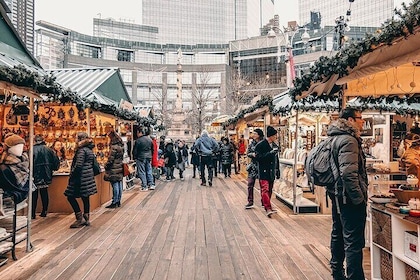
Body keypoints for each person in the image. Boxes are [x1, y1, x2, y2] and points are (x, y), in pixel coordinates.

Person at [326, 107, 368, 280]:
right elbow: (348, 173)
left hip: (336, 194)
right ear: (350, 120)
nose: (362, 121)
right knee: (353, 242)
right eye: (360, 118)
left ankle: (337, 271)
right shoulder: (349, 140)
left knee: (338, 233)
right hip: (348, 197)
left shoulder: (333, 137)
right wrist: (358, 198)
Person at [64, 132, 98, 228]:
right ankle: (86, 217)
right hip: (87, 177)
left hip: (80, 178)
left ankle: (79, 218)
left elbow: (79, 165)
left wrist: (72, 175)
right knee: (85, 197)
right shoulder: (89, 150)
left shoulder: (81, 151)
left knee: (70, 196)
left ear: (79, 139)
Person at [254, 126, 280, 218]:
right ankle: (267, 207)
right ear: (271, 136)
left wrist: (277, 170)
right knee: (265, 189)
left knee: (270, 189)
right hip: (264, 170)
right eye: (275, 135)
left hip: (271, 171)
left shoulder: (275, 145)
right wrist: (270, 154)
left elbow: (276, 159)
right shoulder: (260, 145)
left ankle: (267, 204)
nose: (276, 137)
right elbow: (257, 157)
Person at [32, 135, 60, 218]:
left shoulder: (31, 150)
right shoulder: (49, 150)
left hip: (34, 174)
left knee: (34, 194)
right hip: (46, 174)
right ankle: (44, 211)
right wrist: (52, 169)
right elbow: (56, 163)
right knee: (44, 192)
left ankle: (32, 213)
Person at [0, 134, 30, 204]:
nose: (20, 148)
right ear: (8, 148)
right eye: (17, 146)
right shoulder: (4, 167)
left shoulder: (23, 162)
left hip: (19, 196)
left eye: (21, 146)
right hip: (12, 197)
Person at [104, 130, 124, 208]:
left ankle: (115, 201)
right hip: (119, 167)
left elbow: (110, 159)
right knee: (119, 184)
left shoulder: (113, 147)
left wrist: (106, 165)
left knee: (115, 184)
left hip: (114, 168)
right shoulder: (121, 146)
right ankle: (118, 200)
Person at [245, 129, 264, 209]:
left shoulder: (263, 143)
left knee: (262, 185)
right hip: (253, 166)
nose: (253, 135)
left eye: (255, 133)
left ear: (259, 135)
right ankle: (250, 201)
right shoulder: (251, 143)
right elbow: (248, 153)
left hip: (261, 166)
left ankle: (264, 201)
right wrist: (252, 154)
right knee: (250, 184)